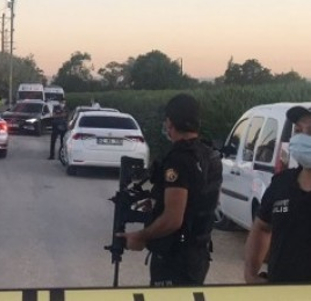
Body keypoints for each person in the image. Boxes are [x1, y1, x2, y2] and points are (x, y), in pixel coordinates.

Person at [117, 93, 222, 287]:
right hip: (198, 254)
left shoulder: (178, 160)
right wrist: (158, 200)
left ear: (170, 123)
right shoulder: (210, 155)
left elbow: (173, 219)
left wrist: (140, 236)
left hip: (175, 259)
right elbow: (199, 198)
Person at [244, 105, 311, 284]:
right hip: (280, 291)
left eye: (310, 131)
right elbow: (261, 227)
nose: (302, 137)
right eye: (298, 131)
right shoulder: (282, 183)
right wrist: (251, 275)